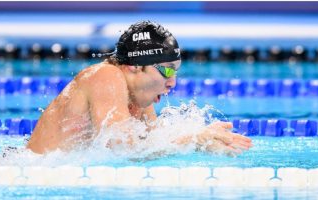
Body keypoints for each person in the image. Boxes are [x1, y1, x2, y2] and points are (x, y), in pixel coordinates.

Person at [27, 21, 253, 155]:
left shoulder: (137, 98)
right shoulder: (105, 76)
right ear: (135, 66)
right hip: (29, 177)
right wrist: (193, 137)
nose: (172, 82)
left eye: (176, 71)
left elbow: (153, 149)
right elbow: (123, 149)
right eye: (166, 70)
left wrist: (204, 145)